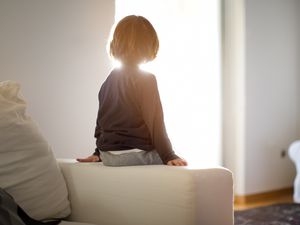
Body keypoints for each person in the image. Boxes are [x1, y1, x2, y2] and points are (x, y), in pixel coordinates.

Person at [77, 15, 187, 166]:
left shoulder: (107, 82)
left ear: (115, 44)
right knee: (178, 155)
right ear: (150, 46)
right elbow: (155, 124)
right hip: (135, 155)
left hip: (109, 156)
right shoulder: (147, 80)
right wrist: (169, 155)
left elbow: (101, 124)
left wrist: (98, 153)